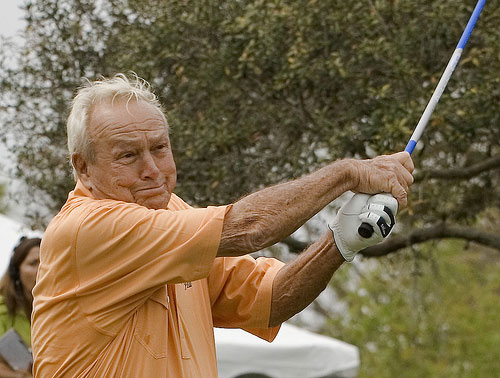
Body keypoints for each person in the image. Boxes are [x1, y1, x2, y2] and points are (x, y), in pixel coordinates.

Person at [31, 74, 414, 377]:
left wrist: (340, 242)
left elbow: (272, 301)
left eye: (160, 148)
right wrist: (348, 173)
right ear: (82, 166)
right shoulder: (89, 228)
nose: (152, 170)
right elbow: (250, 229)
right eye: (128, 155)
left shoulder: (173, 214)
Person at [0, 237, 40, 378]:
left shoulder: (59, 310)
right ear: (16, 271)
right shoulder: (2, 308)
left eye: (45, 262)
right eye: (33, 263)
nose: (41, 269)